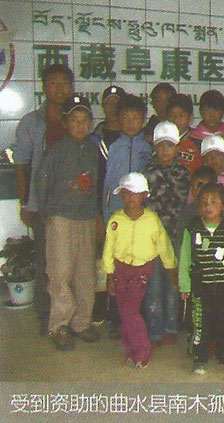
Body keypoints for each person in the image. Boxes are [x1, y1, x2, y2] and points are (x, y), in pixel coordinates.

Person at [10, 63, 74, 336]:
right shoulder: (31, 122)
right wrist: (25, 202)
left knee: (71, 262)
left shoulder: (77, 118)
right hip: (41, 204)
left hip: (72, 205)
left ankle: (69, 316)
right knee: (46, 261)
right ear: (44, 87)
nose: (59, 88)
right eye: (53, 83)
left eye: (64, 83)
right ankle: (46, 315)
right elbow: (21, 164)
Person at [35, 94, 100, 350]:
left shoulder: (93, 150)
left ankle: (81, 322)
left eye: (85, 120)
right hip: (61, 217)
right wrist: (47, 215)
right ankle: (59, 324)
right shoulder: (56, 150)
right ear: (65, 122)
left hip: (86, 217)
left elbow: (95, 186)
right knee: (60, 272)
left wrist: (96, 216)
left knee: (85, 274)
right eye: (74, 120)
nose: (80, 125)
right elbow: (42, 183)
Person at [102, 172, 176, 369]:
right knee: (123, 310)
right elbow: (108, 248)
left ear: (144, 195)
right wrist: (109, 274)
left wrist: (170, 267)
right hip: (120, 268)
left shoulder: (152, 219)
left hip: (141, 270)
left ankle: (142, 351)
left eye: (135, 193)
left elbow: (163, 244)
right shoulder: (116, 219)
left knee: (130, 311)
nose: (130, 198)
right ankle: (130, 350)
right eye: (126, 193)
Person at [179, 183, 224, 374]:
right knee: (200, 323)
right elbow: (185, 257)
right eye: (204, 202)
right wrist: (185, 285)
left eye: (214, 202)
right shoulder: (192, 228)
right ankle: (199, 357)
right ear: (198, 205)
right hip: (201, 286)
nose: (208, 206)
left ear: (223, 205)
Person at [142, 121, 190, 348]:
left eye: (169, 145)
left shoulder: (184, 173)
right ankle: (154, 330)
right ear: (154, 146)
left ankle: (171, 327)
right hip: (151, 239)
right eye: (160, 145)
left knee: (172, 284)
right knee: (153, 286)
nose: (165, 150)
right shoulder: (145, 173)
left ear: (177, 147)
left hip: (175, 236)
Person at [88, 84, 126, 324]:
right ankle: (100, 307)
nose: (112, 107)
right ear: (102, 106)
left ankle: (119, 312)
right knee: (101, 261)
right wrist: (95, 213)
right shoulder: (93, 139)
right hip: (101, 209)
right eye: (108, 102)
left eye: (117, 103)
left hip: (127, 209)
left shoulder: (132, 138)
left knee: (124, 261)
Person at [101, 94, 152, 222]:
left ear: (143, 119)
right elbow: (99, 181)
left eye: (135, 118)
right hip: (113, 210)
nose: (131, 122)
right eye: (125, 117)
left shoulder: (150, 146)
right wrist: (99, 214)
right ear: (118, 118)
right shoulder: (107, 145)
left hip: (142, 213)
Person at [165, 93, 202, 173]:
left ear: (190, 117)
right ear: (166, 117)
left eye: (181, 115)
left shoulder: (199, 144)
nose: (176, 120)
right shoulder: (159, 141)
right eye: (172, 115)